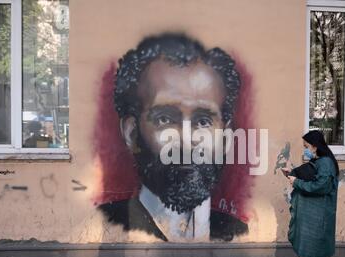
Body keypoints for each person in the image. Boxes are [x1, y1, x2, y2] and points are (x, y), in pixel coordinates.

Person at [98, 33, 248, 242]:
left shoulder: (234, 229)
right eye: (165, 119)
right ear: (131, 132)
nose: (187, 141)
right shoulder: (107, 221)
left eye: (203, 121)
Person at [281, 130, 345, 257]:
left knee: (307, 252)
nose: (305, 149)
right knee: (308, 252)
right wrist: (291, 174)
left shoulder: (326, 162)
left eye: (306, 146)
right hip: (311, 214)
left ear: (314, 145)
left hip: (317, 216)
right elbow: (311, 177)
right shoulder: (319, 161)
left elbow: (322, 186)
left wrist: (296, 182)